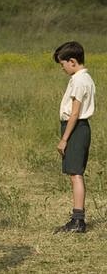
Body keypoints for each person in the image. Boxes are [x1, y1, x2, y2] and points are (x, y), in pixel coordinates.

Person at [53, 41, 95, 233]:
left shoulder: (79, 80)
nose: (62, 68)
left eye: (62, 64)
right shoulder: (85, 78)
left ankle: (78, 220)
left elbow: (75, 113)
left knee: (75, 174)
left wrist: (64, 139)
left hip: (76, 127)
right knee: (74, 173)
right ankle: (77, 218)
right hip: (78, 127)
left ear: (72, 61)